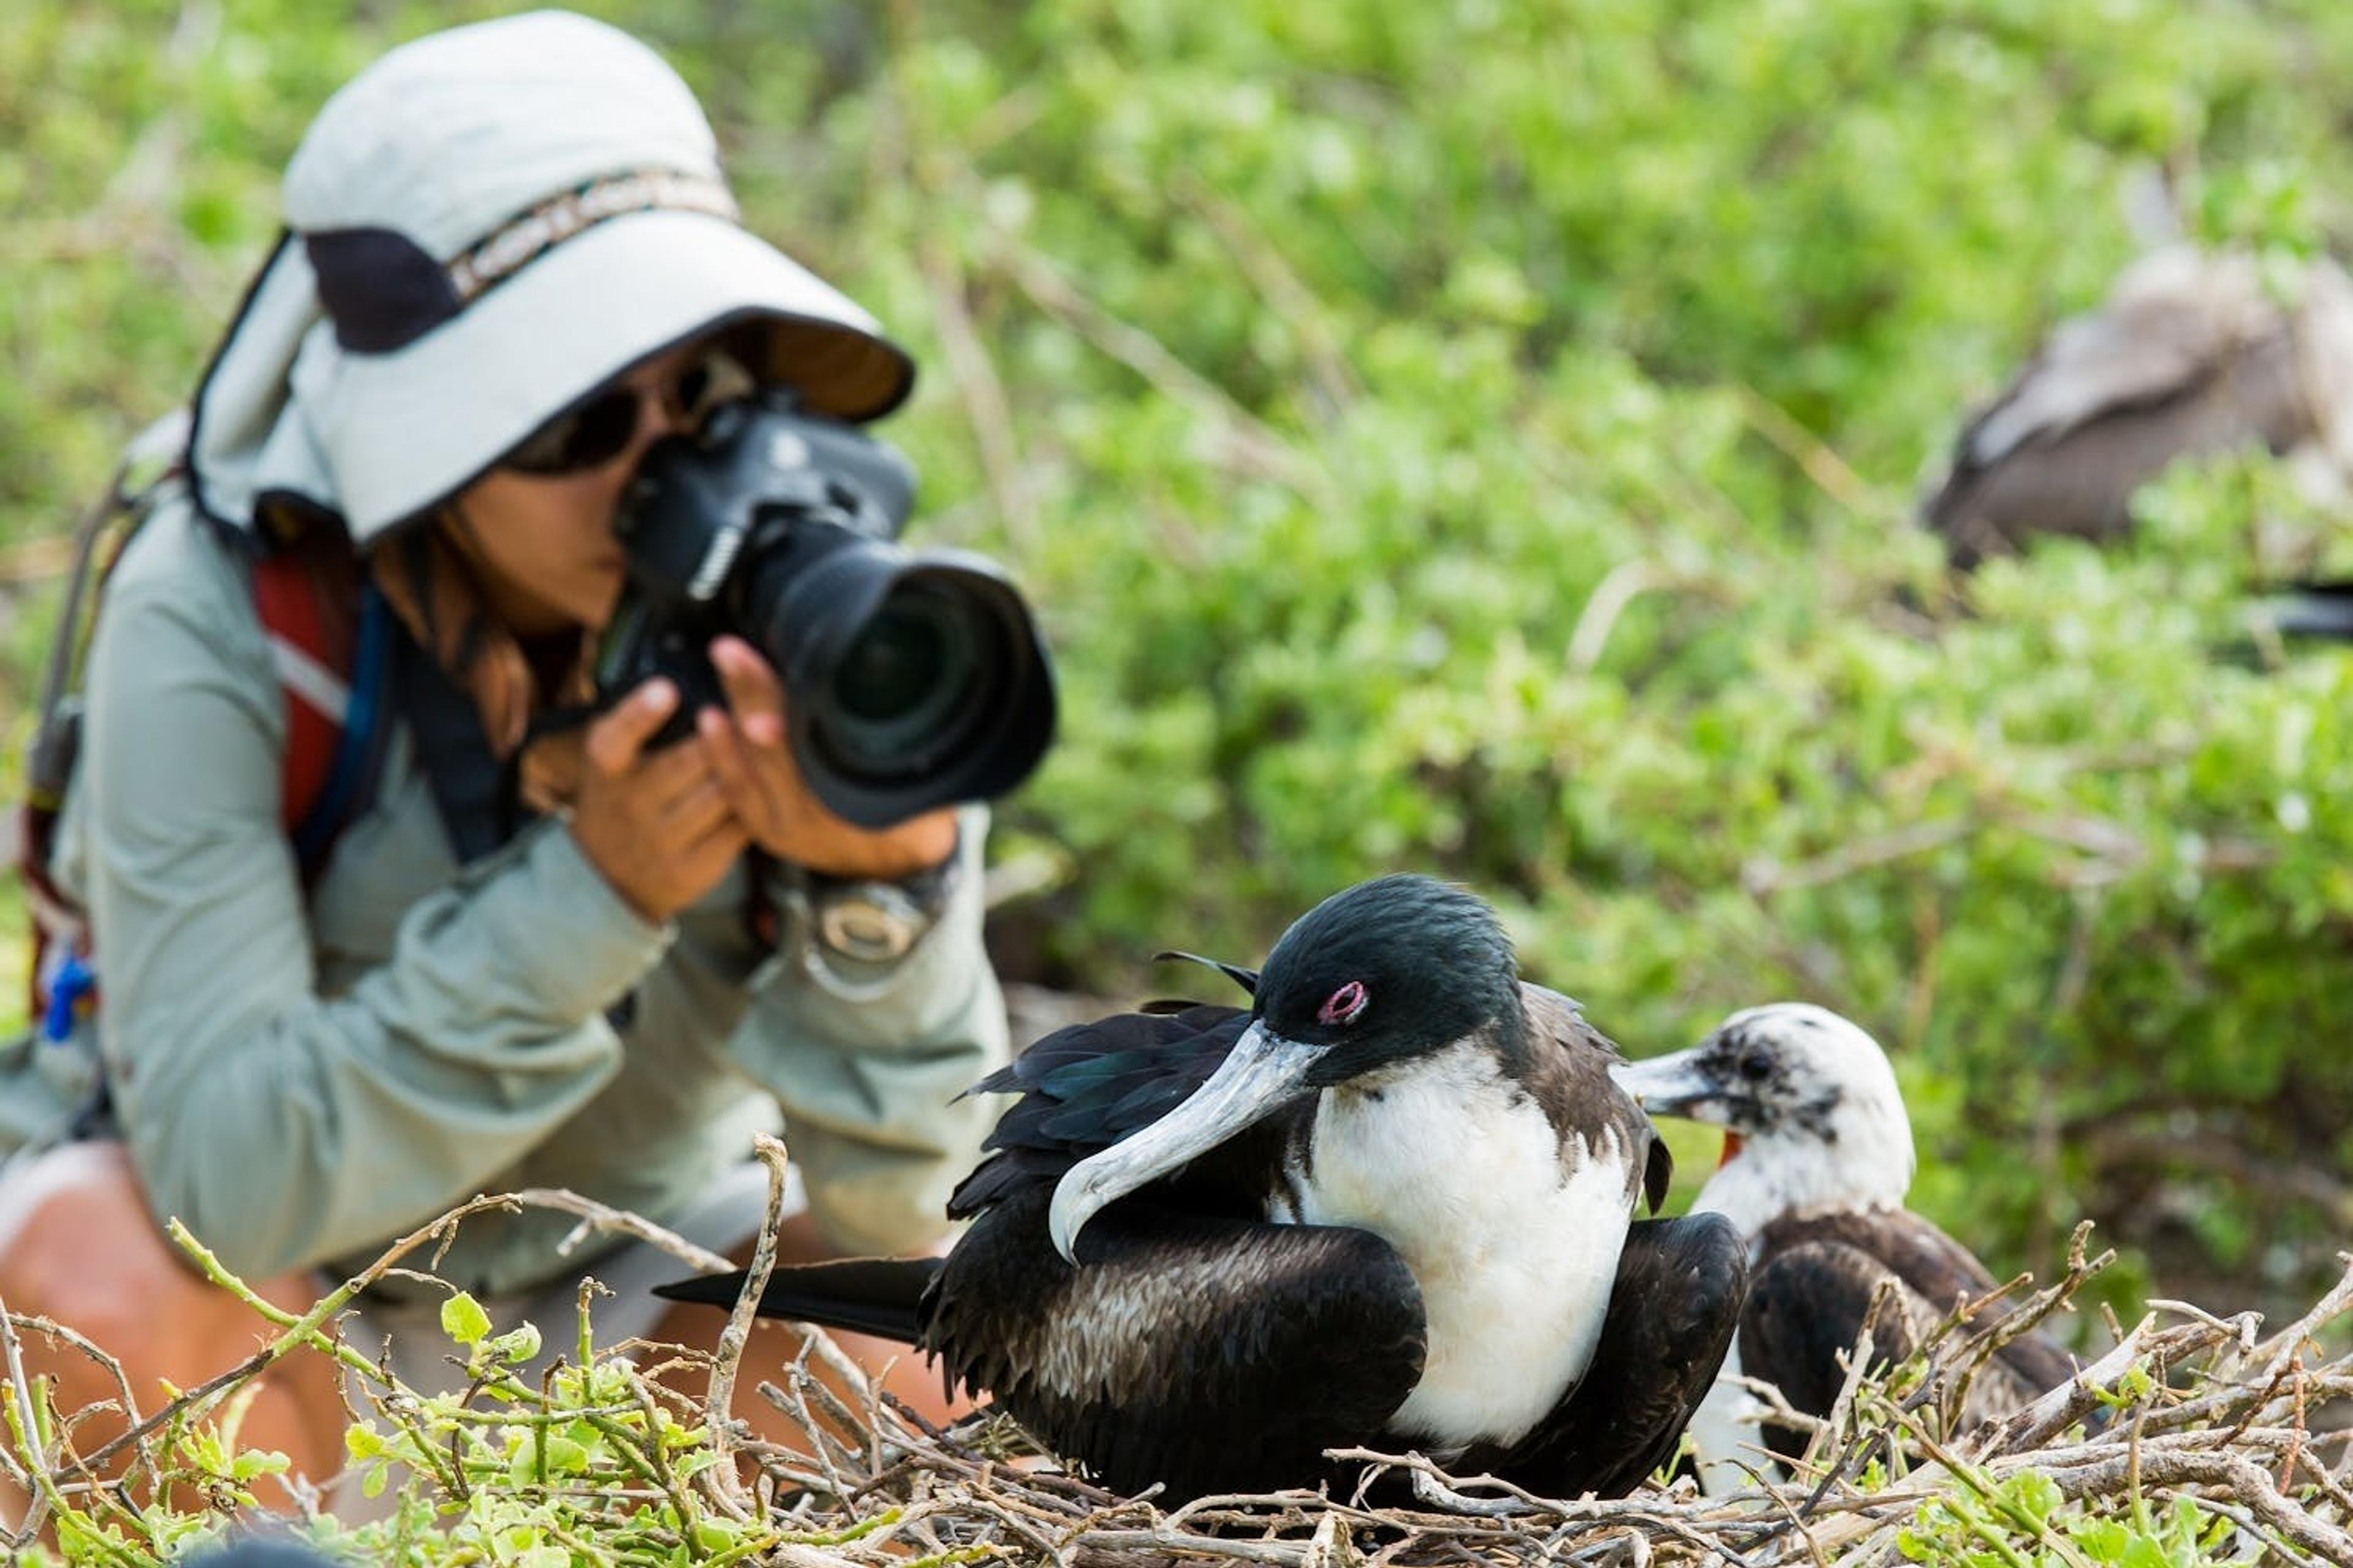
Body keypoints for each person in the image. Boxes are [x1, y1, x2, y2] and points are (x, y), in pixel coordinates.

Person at [0, 10, 1010, 1512]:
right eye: (580, 419)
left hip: (630, 1287)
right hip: (281, 1317)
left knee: (931, 1361)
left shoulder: (807, 610)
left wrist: (885, 899)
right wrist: (593, 895)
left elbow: (913, 1205)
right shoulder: (227, 605)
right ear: (426, 440)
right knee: (87, 1288)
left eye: (697, 391)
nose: (657, 466)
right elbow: (227, 1194)